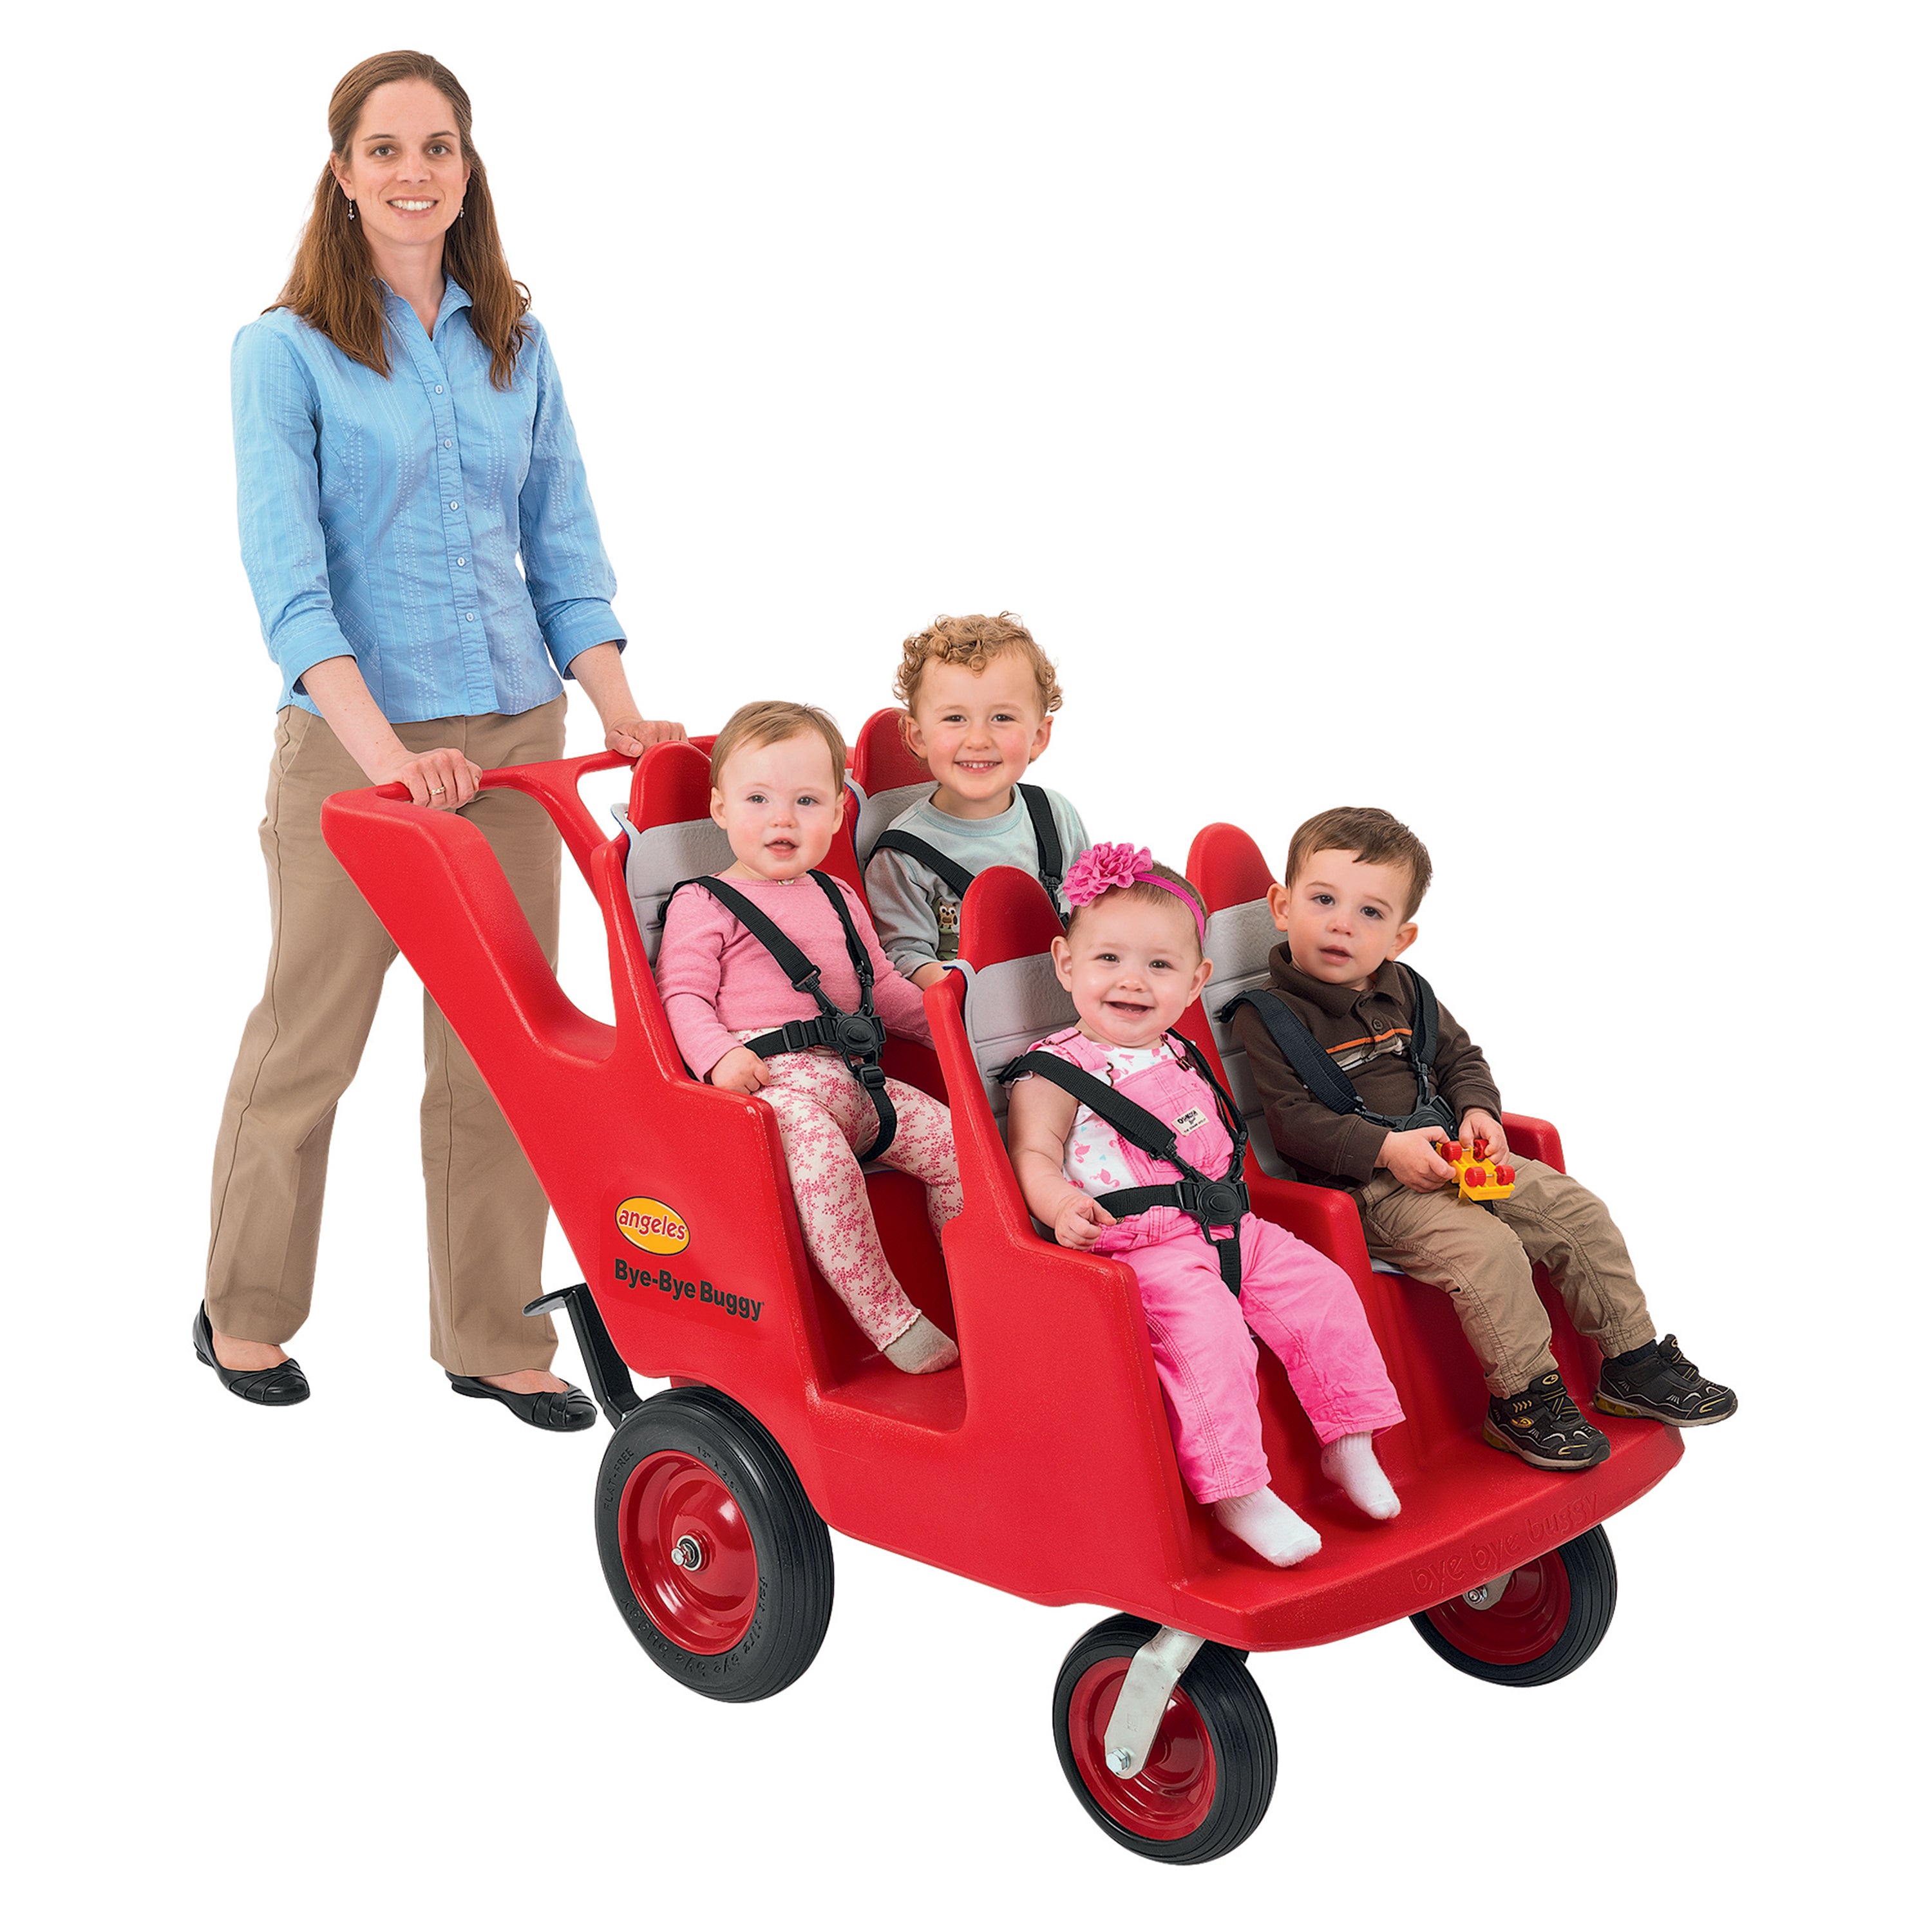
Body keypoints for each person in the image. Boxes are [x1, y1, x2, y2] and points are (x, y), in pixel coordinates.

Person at [198, 50, 684, 1428]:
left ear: (469, 170)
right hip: (356, 751)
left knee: (502, 1051)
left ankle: (489, 1334)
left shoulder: (515, 340)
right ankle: (243, 1310)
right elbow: (291, 589)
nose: (416, 172)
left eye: (440, 148)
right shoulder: (282, 351)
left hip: (516, 741)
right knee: (310, 1041)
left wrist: (618, 708)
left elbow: (564, 551)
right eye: (387, 149)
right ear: (342, 173)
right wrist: (390, 761)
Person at [1228, 806, 1739, 1472]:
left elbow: (1461, 1059)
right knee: (1489, 1250)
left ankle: (1632, 1361)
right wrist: (1386, 1150)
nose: (1342, 923)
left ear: (1401, 937)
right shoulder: (1269, 1016)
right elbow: (1294, 1123)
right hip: (1371, 1189)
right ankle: (1523, 1400)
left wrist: (1480, 1113)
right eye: (1323, 900)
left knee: (1578, 1213)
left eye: (1370, 912)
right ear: (1282, 906)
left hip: (1460, 1160)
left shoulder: (1407, 990)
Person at [1005, 844, 1405, 1567]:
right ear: (1066, 964)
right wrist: (1060, 1203)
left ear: (1196, 981)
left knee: (1325, 1289)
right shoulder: (1054, 1070)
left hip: (1231, 1225)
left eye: (1160, 966)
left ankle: (1350, 1437)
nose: (1133, 980)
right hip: (1142, 1250)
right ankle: (1237, 1490)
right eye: (1108, 959)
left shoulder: (1181, 1051)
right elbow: (1033, 1154)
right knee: (1211, 1339)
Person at [656, 703, 963, 1374]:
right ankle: (893, 1324)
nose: (783, 819)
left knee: (960, 1150)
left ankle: (972, 1288)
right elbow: (681, 995)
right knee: (826, 1169)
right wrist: (718, 1056)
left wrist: (949, 1029)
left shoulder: (837, 895)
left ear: (836, 814)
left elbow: (883, 988)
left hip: (858, 1080)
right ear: (720, 809)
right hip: (776, 1092)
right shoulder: (702, 902)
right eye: (758, 799)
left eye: (806, 800)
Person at [864, 613, 1089, 986]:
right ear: (918, 737)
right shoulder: (902, 856)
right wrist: (975, 992)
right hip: (975, 1012)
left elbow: (1090, 911)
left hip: (1068, 1001)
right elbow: (904, 957)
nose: (979, 739)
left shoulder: (1055, 816)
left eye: (1002, 717)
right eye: (955, 718)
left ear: (1038, 736)